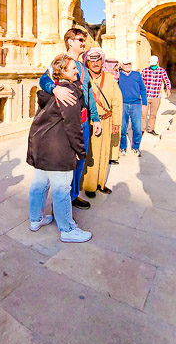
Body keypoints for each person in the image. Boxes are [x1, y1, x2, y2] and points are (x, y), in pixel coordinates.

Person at [27, 54, 92, 243]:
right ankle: (67, 229)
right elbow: (73, 126)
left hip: (40, 144)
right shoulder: (69, 92)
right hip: (57, 147)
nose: (77, 71)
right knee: (62, 187)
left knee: (39, 183)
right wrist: (80, 151)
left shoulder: (53, 90)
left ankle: (36, 219)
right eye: (73, 68)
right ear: (62, 71)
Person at [39, 27, 101, 210]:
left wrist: (95, 118)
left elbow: (89, 94)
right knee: (65, 161)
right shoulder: (60, 61)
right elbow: (43, 79)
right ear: (70, 42)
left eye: (84, 40)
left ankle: (73, 195)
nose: (84, 43)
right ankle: (62, 199)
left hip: (83, 120)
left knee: (80, 159)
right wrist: (54, 88)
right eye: (80, 40)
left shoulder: (82, 66)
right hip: (65, 120)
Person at [81, 48, 122, 196]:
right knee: (91, 154)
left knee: (104, 153)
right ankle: (90, 186)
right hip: (91, 121)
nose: (96, 63)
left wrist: (116, 122)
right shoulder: (83, 79)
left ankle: (100, 183)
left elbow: (117, 101)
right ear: (87, 63)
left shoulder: (110, 78)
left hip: (107, 120)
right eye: (92, 61)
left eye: (98, 60)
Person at [117, 58, 147, 157]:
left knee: (137, 128)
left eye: (129, 64)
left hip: (136, 104)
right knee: (122, 128)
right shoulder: (118, 76)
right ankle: (123, 147)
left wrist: (144, 104)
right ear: (122, 65)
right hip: (123, 104)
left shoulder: (136, 75)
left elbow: (143, 90)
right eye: (126, 64)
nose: (128, 66)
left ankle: (136, 147)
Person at [141, 55, 172, 136]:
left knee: (153, 114)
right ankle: (142, 129)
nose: (153, 66)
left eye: (154, 65)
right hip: (146, 96)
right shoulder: (145, 71)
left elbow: (166, 80)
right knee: (143, 114)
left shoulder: (162, 71)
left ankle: (151, 129)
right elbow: (140, 82)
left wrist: (168, 89)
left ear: (158, 63)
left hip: (156, 96)